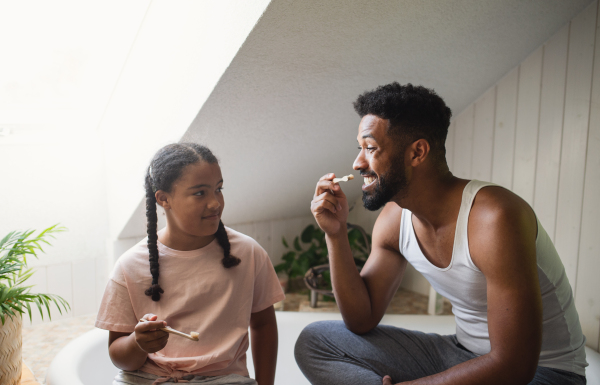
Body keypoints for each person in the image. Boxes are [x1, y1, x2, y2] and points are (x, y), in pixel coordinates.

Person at [295, 83, 588, 385]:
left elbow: (514, 366)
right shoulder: (394, 221)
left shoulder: (494, 218)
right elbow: (361, 319)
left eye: (370, 148)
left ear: (417, 152)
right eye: (360, 149)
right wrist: (336, 234)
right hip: (462, 353)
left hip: (545, 373)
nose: (358, 163)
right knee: (316, 343)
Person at [96, 143, 284, 385]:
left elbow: (264, 324)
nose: (215, 203)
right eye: (200, 193)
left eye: (219, 189)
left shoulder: (247, 253)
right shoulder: (130, 265)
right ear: (164, 199)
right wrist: (137, 343)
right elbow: (121, 359)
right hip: (146, 378)